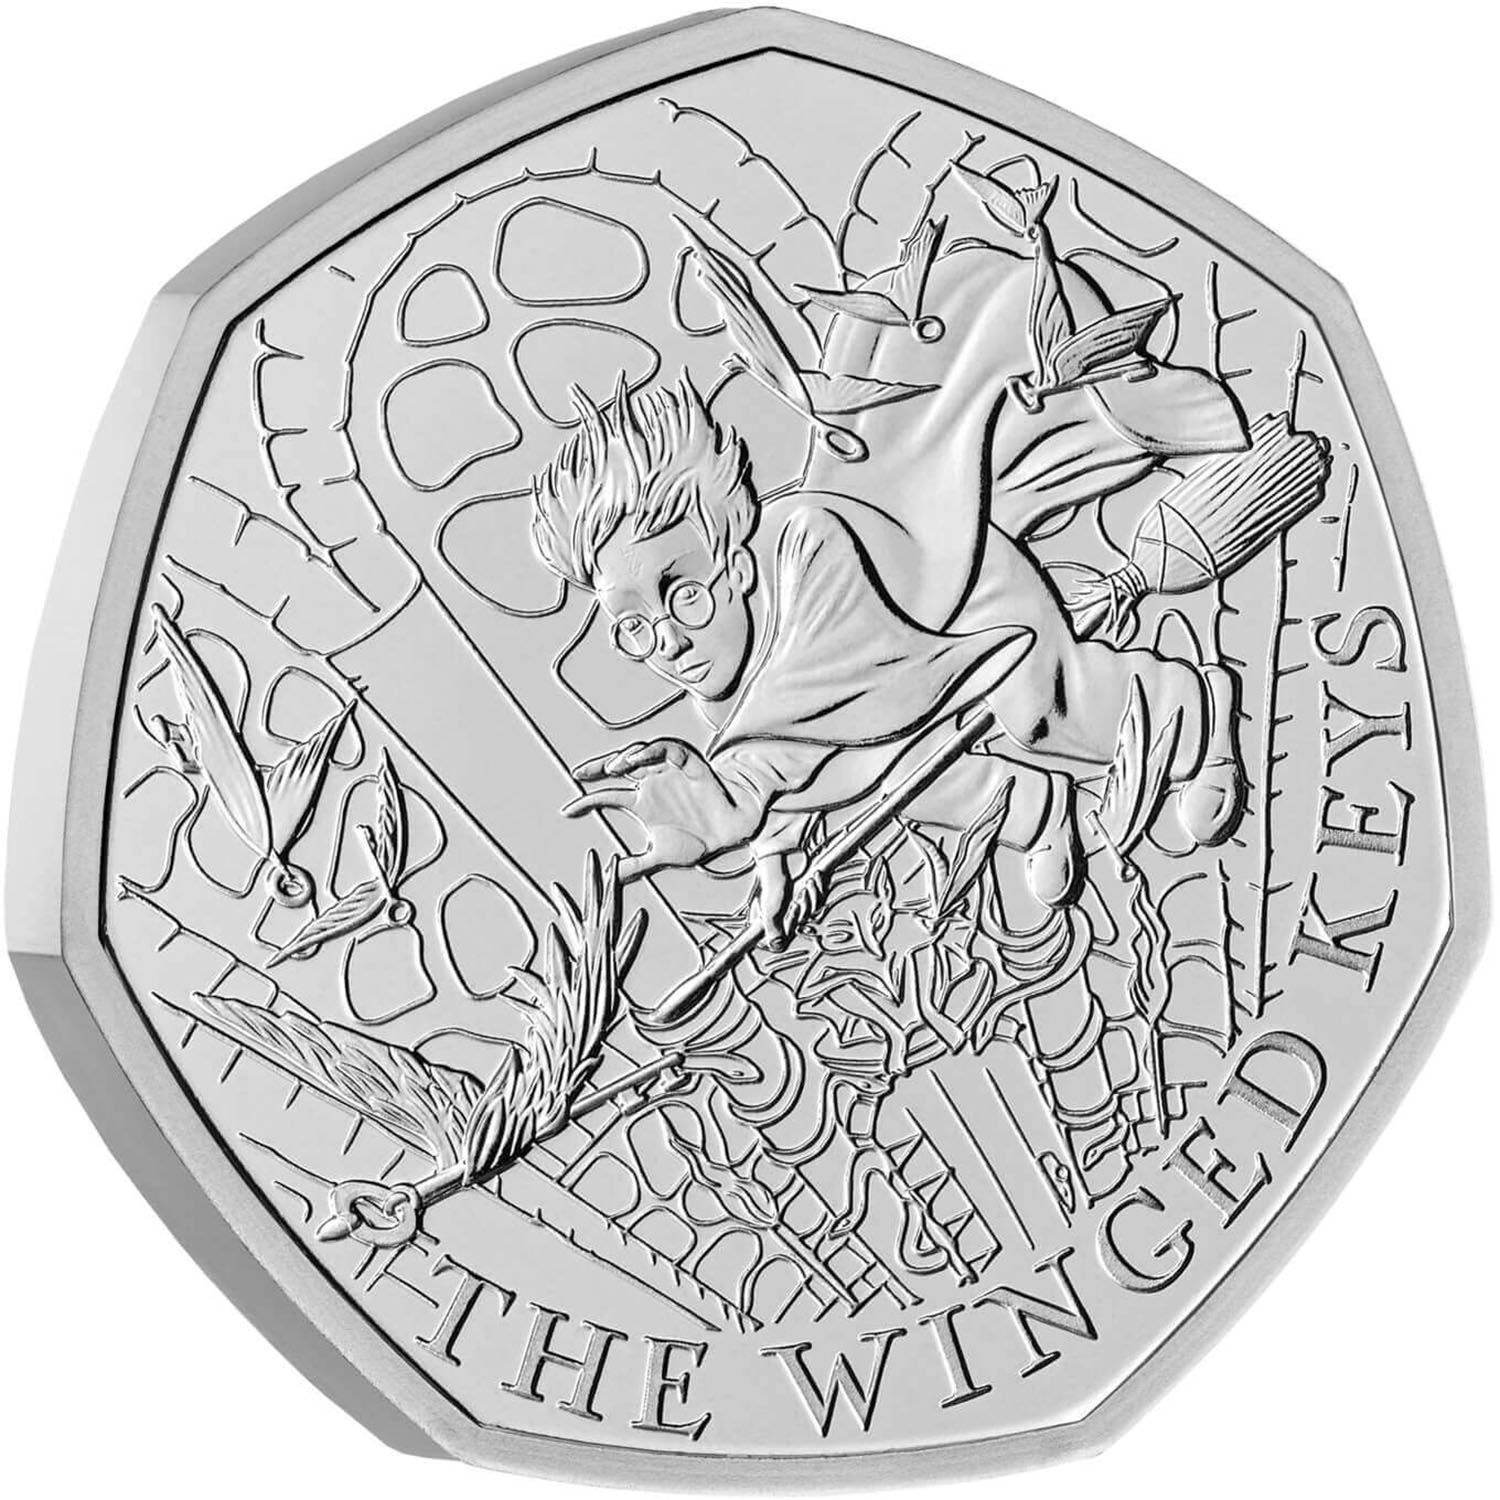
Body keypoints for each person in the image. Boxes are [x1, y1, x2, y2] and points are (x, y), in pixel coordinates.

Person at [529, 369, 1241, 942]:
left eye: (684, 595)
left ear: (736, 565)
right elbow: (796, 744)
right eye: (634, 626)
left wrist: (734, 797)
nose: (670, 641)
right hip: (892, 700)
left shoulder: (813, 543)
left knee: (1046, 712)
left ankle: (1196, 711)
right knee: (891, 774)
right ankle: (1037, 809)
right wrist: (776, 857)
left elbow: (814, 694)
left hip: (966, 610)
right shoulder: (714, 669)